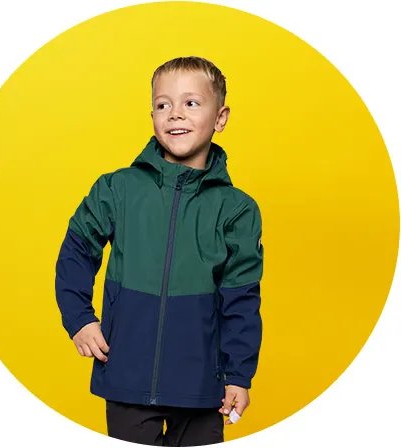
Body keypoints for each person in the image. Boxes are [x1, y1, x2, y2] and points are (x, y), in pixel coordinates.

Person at [55, 56, 264, 446]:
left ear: (220, 118)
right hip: (127, 377)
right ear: (151, 114)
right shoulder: (117, 189)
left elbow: (241, 299)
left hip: (201, 387)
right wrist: (79, 318)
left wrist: (239, 375)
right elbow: (76, 252)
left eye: (191, 103)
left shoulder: (237, 209)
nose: (175, 114)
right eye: (163, 104)